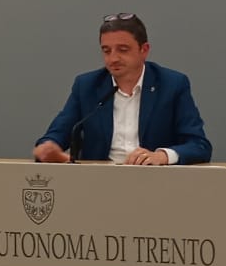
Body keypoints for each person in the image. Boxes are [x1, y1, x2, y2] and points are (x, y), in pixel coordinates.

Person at [34, 13, 211, 165]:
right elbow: (54, 138)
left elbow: (199, 145)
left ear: (144, 50)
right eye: (106, 51)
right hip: (98, 183)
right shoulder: (87, 86)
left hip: (155, 181)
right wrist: (48, 149)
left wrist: (162, 156)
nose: (113, 59)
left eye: (123, 50)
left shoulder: (172, 84)